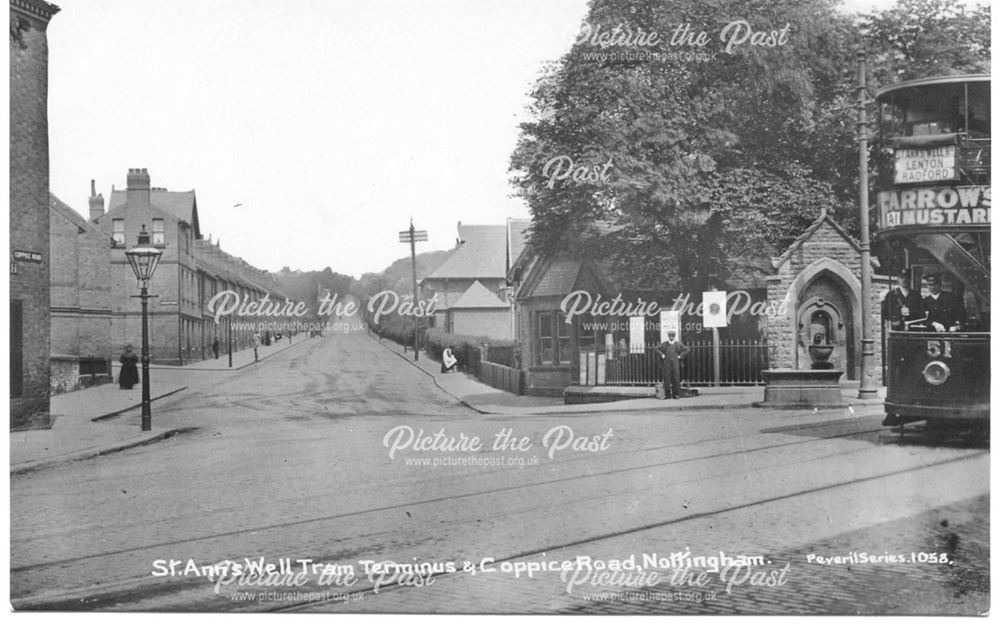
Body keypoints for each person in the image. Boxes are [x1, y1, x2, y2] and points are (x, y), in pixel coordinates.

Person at [656, 330, 689, 399]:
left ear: (674, 336)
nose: (671, 337)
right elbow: (656, 349)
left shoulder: (678, 344)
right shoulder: (665, 344)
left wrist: (680, 356)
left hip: (675, 363)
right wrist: (662, 354)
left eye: (672, 336)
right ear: (668, 336)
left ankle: (676, 394)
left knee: (676, 378)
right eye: (670, 336)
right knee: (667, 378)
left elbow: (687, 349)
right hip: (667, 364)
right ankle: (667, 395)